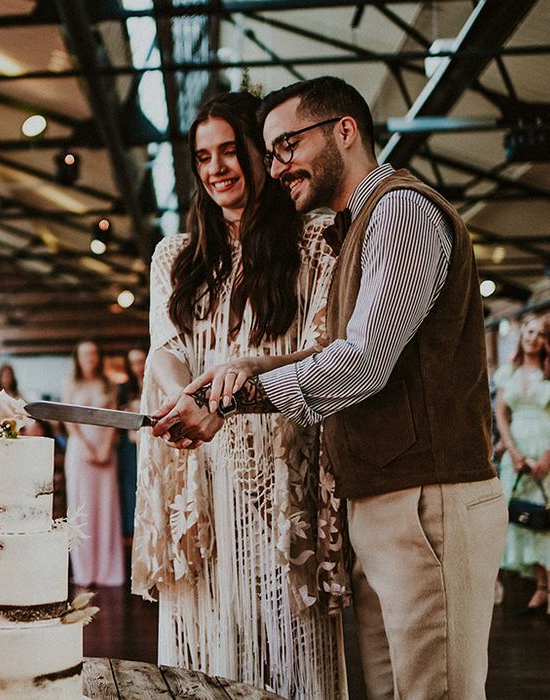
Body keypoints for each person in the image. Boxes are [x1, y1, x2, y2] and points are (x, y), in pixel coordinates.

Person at [155, 76, 507, 700]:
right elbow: (334, 352)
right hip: (386, 502)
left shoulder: (400, 211)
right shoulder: (358, 227)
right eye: (271, 150)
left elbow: (363, 362)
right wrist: (248, 370)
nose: (278, 164)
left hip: (430, 502)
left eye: (287, 144)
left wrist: (240, 396)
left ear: (344, 130)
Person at [133, 91, 347, 698]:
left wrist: (242, 380)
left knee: (284, 641)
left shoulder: (317, 241)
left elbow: (324, 345)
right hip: (199, 468)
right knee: (206, 637)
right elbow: (166, 347)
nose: (217, 168)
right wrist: (190, 402)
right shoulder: (175, 256)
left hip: (278, 473)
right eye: (204, 157)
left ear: (261, 155)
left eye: (231, 151)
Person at [494, 316, 550, 613]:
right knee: (528, 518)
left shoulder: (548, 372)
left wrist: (546, 457)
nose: (533, 338)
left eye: (541, 334)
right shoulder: (508, 373)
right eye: (529, 331)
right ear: (521, 335)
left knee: (548, 518)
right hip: (517, 451)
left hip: (545, 445)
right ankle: (540, 585)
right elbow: (502, 415)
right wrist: (513, 453)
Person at [62, 339, 124, 587]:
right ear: (77, 357)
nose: (90, 358)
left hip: (105, 448)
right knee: (82, 507)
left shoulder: (107, 383)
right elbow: (67, 419)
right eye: (85, 354)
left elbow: (113, 417)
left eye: (94, 353)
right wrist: (87, 447)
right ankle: (85, 570)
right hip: (80, 449)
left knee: (105, 506)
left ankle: (108, 570)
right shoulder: (70, 383)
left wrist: (106, 446)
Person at [117, 347, 145, 540]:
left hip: (152, 439)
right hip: (130, 445)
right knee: (132, 484)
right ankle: (134, 531)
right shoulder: (125, 390)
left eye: (140, 361)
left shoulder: (156, 383)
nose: (138, 367)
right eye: (133, 362)